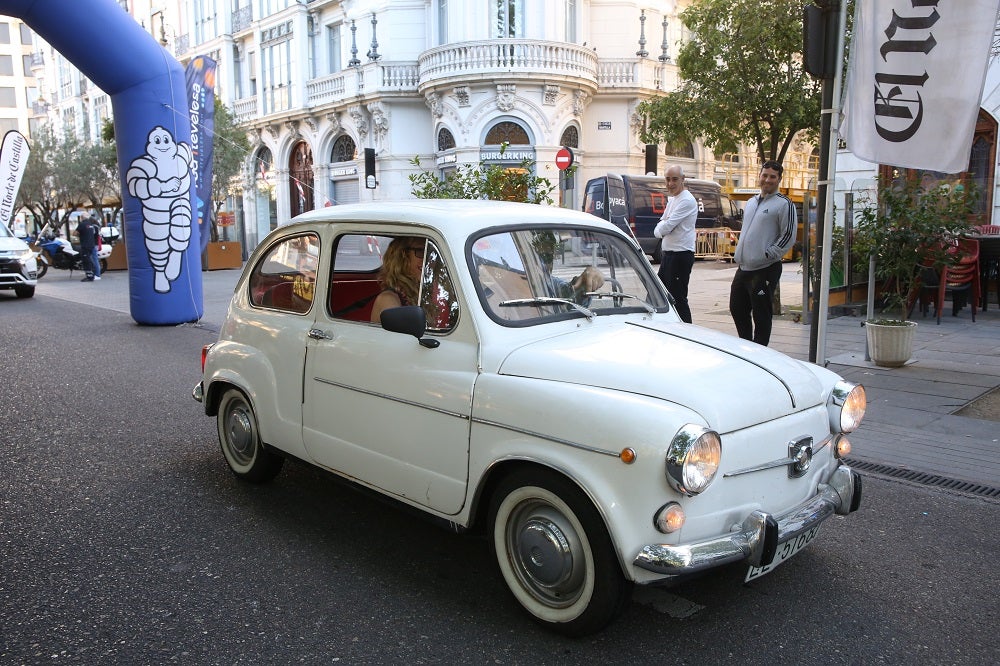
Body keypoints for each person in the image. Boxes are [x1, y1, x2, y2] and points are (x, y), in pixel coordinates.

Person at [729, 160, 797, 345]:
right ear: (759, 176)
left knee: (761, 313)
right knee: (736, 307)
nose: (768, 180)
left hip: (765, 268)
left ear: (779, 179)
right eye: (764, 175)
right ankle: (746, 344)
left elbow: (788, 234)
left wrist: (769, 253)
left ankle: (760, 350)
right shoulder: (751, 202)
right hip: (744, 267)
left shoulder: (784, 204)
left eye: (772, 177)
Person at [653, 165, 698, 323]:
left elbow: (666, 226)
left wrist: (661, 229)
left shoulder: (686, 200)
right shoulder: (674, 199)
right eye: (667, 179)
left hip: (680, 255)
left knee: (678, 298)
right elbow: (662, 224)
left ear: (683, 179)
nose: (670, 183)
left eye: (674, 179)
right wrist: (661, 228)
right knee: (658, 295)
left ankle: (687, 333)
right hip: (669, 254)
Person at [371, 237, 424, 322]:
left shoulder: (421, 293)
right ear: (403, 256)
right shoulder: (388, 300)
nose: (428, 258)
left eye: (432, 252)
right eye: (421, 251)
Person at [76, 215, 102, 282]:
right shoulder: (93, 226)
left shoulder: (88, 225)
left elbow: (76, 233)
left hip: (90, 244)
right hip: (93, 244)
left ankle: (96, 275)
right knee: (92, 259)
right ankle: (95, 274)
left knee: (92, 259)